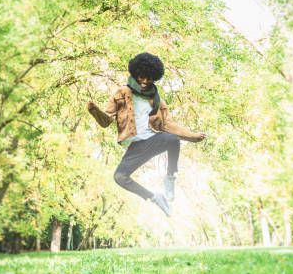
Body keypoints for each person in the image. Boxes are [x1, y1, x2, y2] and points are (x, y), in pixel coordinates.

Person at [87, 52, 207, 216]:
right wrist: (94, 111)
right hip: (135, 145)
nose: (144, 82)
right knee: (120, 177)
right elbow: (106, 121)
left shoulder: (157, 101)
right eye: (141, 77)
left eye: (149, 78)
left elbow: (168, 125)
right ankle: (155, 198)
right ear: (135, 74)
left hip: (152, 139)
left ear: (154, 78)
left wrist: (192, 137)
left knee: (172, 139)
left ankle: (170, 177)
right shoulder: (121, 93)